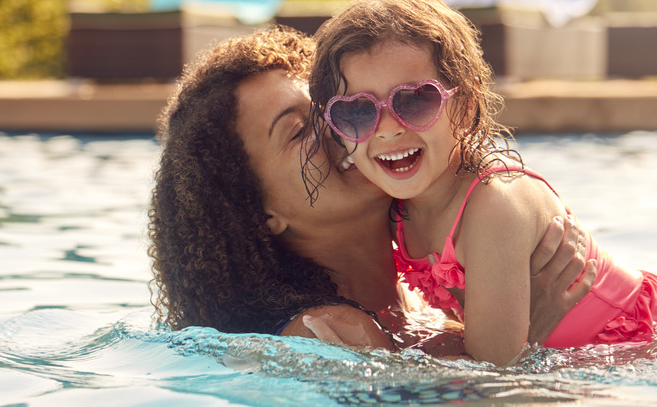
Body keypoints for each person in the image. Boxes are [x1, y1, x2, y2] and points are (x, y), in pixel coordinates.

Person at [149, 26, 595, 357]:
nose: (348, 128)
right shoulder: (330, 333)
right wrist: (532, 338)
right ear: (260, 213)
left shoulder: (429, 287)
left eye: (342, 106)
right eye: (299, 130)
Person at [306, 0, 657, 365]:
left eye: (415, 100)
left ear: (467, 103)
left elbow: (492, 376)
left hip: (636, 342)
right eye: (357, 112)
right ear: (335, 126)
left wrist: (376, 360)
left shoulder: (496, 205)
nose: (388, 128)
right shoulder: (397, 207)